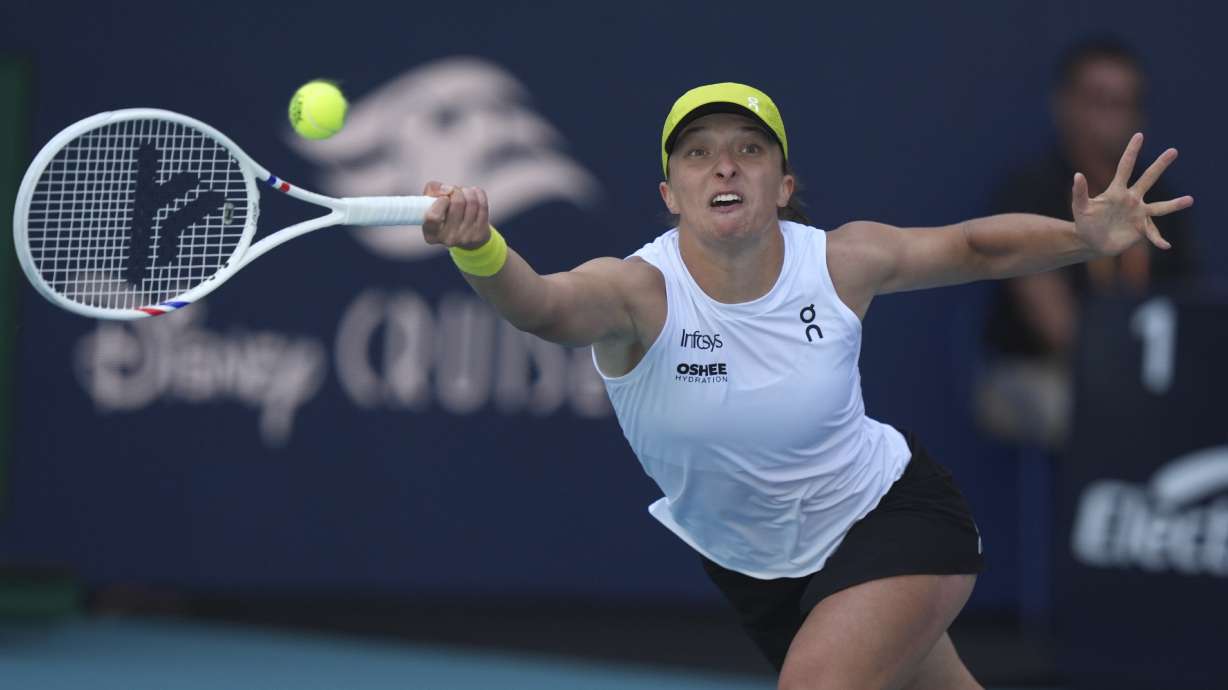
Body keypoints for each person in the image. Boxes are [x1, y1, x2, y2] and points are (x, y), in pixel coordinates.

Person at [419, 83, 1192, 690]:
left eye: (748, 149)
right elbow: (544, 309)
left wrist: (1082, 236)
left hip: (892, 519)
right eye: (697, 154)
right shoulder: (636, 292)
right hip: (760, 571)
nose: (724, 165)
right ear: (670, 194)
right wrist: (481, 248)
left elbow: (974, 248)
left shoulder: (839, 262)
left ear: (783, 185)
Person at [979, 38, 1195, 448]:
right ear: (1064, 104)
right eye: (1098, 100)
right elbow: (1056, 328)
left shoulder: (1162, 198)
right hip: (1037, 370)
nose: (1110, 117)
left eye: (1123, 102)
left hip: (1145, 374)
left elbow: (1189, 313)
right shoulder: (1032, 191)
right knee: (1089, 411)